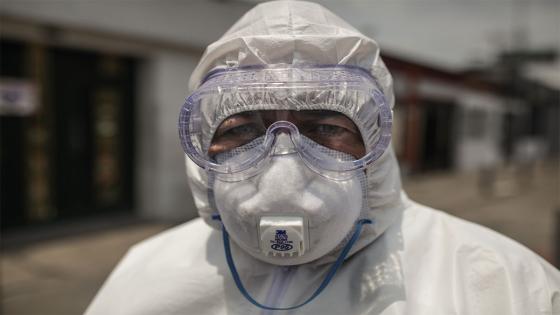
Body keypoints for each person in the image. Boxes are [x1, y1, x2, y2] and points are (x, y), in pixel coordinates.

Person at [85, 1, 560, 314]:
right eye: (243, 129)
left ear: (375, 147)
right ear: (200, 150)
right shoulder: (144, 275)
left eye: (327, 128)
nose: (282, 174)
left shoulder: (501, 284)